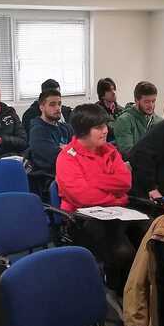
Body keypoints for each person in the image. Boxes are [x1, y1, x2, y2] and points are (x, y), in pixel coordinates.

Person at [55, 103, 140, 292]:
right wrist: (115, 197)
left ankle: (144, 293)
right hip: (84, 218)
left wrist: (93, 179)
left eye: (105, 125)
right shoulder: (67, 158)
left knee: (151, 237)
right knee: (123, 252)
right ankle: (119, 294)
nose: (106, 130)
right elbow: (83, 197)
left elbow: (125, 181)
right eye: (99, 127)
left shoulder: (109, 150)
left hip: (118, 212)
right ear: (83, 131)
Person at [27, 89, 73, 175]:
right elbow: (56, 158)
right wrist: (70, 149)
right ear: (41, 107)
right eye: (52, 104)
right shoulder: (37, 131)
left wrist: (65, 148)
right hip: (48, 176)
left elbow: (81, 148)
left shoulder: (66, 128)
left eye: (59, 104)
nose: (58, 108)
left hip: (69, 172)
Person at [112, 81, 162, 159]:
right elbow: (128, 153)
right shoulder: (124, 121)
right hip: (134, 164)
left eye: (153, 101)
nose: (151, 105)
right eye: (147, 102)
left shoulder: (159, 121)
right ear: (136, 100)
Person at [95, 77, 122, 142]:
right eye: (109, 90)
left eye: (114, 89)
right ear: (102, 95)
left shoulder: (120, 109)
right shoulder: (96, 111)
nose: (113, 92)